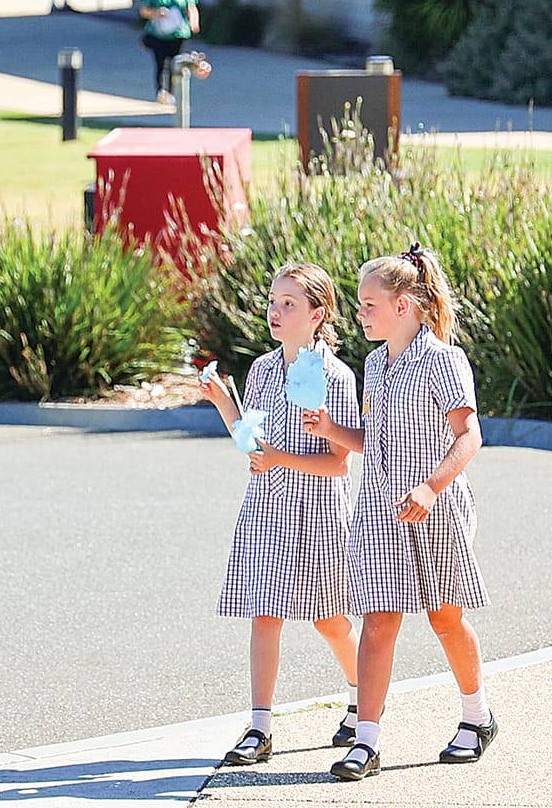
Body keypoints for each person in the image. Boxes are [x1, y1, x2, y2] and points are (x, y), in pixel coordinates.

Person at [304, 248, 493, 781]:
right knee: (379, 622)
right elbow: (376, 440)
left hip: (437, 510)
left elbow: (469, 435)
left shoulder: (443, 360)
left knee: (444, 617)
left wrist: (432, 489)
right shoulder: (374, 364)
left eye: (369, 305)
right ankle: (366, 742)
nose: (360, 314)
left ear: (404, 305)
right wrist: (329, 431)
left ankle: (477, 718)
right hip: (379, 513)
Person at [198, 263, 363, 766]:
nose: (275, 310)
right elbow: (253, 445)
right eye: (273, 300)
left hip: (318, 513)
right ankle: (260, 726)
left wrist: (278, 458)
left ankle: (363, 698)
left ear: (318, 314)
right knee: (264, 615)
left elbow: (338, 463)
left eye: (289, 303)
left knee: (329, 621)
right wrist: (224, 401)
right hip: (267, 508)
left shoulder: (335, 376)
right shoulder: (265, 370)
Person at [140, 0, 200, 106]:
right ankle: (161, 92)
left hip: (177, 34)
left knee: (175, 64)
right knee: (160, 63)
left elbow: (191, 7)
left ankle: (172, 93)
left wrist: (194, 22)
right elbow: (144, 11)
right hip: (159, 35)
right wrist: (156, 12)